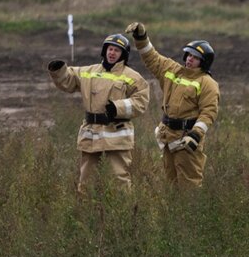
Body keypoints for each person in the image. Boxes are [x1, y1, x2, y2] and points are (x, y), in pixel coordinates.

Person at [47, 33, 149, 192]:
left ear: (124, 54)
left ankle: (124, 213)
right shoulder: (89, 71)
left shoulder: (132, 76)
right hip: (91, 134)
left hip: (117, 135)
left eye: (117, 50)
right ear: (104, 50)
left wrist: (117, 108)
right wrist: (58, 69)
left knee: (119, 180)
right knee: (86, 181)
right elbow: (68, 79)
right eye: (110, 49)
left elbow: (141, 101)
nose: (112, 53)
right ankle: (86, 213)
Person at [125, 22, 220, 188]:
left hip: (187, 140)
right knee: (171, 185)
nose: (190, 59)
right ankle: (174, 214)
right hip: (167, 137)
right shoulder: (172, 70)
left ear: (204, 62)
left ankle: (190, 214)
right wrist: (141, 37)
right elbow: (151, 57)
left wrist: (195, 135)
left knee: (189, 186)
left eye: (195, 57)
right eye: (189, 55)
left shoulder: (208, 83)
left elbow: (208, 112)